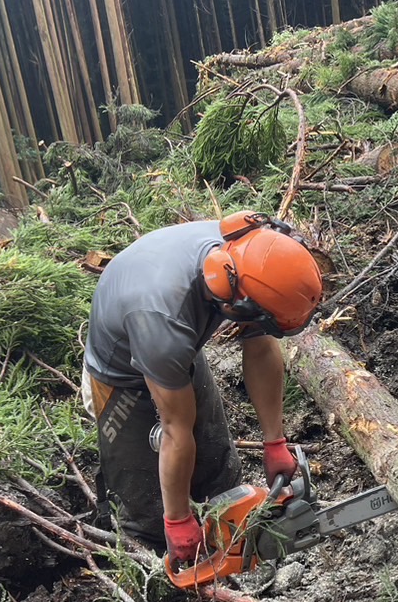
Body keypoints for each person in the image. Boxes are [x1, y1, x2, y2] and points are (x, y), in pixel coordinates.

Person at [82, 211, 324, 563]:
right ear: (233, 302)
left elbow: (260, 348)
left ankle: (230, 550)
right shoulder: (164, 324)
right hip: (120, 376)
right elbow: (175, 430)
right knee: (145, 505)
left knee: (216, 468)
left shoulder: (251, 261)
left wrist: (275, 441)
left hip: (180, 349)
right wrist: (177, 519)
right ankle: (158, 575)